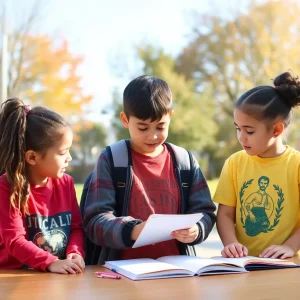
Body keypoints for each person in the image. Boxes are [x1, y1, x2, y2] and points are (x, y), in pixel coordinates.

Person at [82, 75, 216, 264]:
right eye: (143, 128)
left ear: (170, 117)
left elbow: (206, 212)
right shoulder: (111, 159)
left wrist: (197, 229)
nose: (152, 136)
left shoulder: (185, 161)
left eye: (160, 126)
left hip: (177, 271)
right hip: (121, 272)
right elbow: (95, 221)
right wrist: (133, 230)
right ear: (125, 119)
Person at [214, 71, 300, 259]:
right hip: (242, 266)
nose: (241, 137)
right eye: (238, 128)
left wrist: (289, 247)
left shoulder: (296, 165)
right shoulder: (234, 163)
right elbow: (225, 215)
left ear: (276, 130)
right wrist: (231, 244)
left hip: (285, 265)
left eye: (249, 131)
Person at [0, 98, 85, 274]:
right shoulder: (6, 187)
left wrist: (75, 252)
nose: (69, 157)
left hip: (55, 276)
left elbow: (76, 227)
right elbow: (15, 240)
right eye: (62, 152)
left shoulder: (66, 183)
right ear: (32, 157)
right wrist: (51, 262)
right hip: (15, 278)